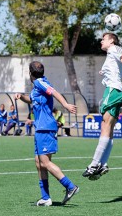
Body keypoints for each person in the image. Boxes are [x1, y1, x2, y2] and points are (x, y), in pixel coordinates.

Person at [15, 61, 78, 206]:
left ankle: (70, 186)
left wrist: (66, 105)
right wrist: (21, 97)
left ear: (30, 73)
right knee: (39, 163)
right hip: (40, 128)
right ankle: (45, 197)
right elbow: (31, 100)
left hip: (45, 127)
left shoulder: (39, 83)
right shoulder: (37, 87)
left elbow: (54, 92)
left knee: (45, 162)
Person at [82, 32, 122, 180]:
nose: (101, 41)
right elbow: (121, 75)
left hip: (112, 91)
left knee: (105, 127)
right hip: (116, 91)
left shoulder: (114, 49)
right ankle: (103, 164)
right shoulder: (111, 55)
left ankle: (94, 164)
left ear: (111, 41)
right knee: (109, 129)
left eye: (103, 39)